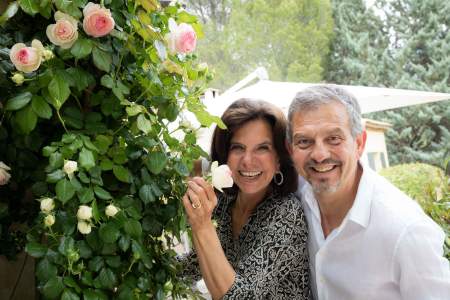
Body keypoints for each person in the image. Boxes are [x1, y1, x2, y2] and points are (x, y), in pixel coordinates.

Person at [286, 84, 450, 300]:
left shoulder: (406, 230)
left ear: (359, 143)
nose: (319, 154)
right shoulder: (297, 198)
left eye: (334, 138)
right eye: (304, 141)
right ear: (290, 150)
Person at [180, 99, 311, 299]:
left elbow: (241, 297)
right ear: (225, 155)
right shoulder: (223, 203)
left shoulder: (287, 214)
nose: (248, 161)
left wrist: (202, 225)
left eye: (262, 148)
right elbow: (192, 265)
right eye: (238, 148)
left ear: (278, 160)